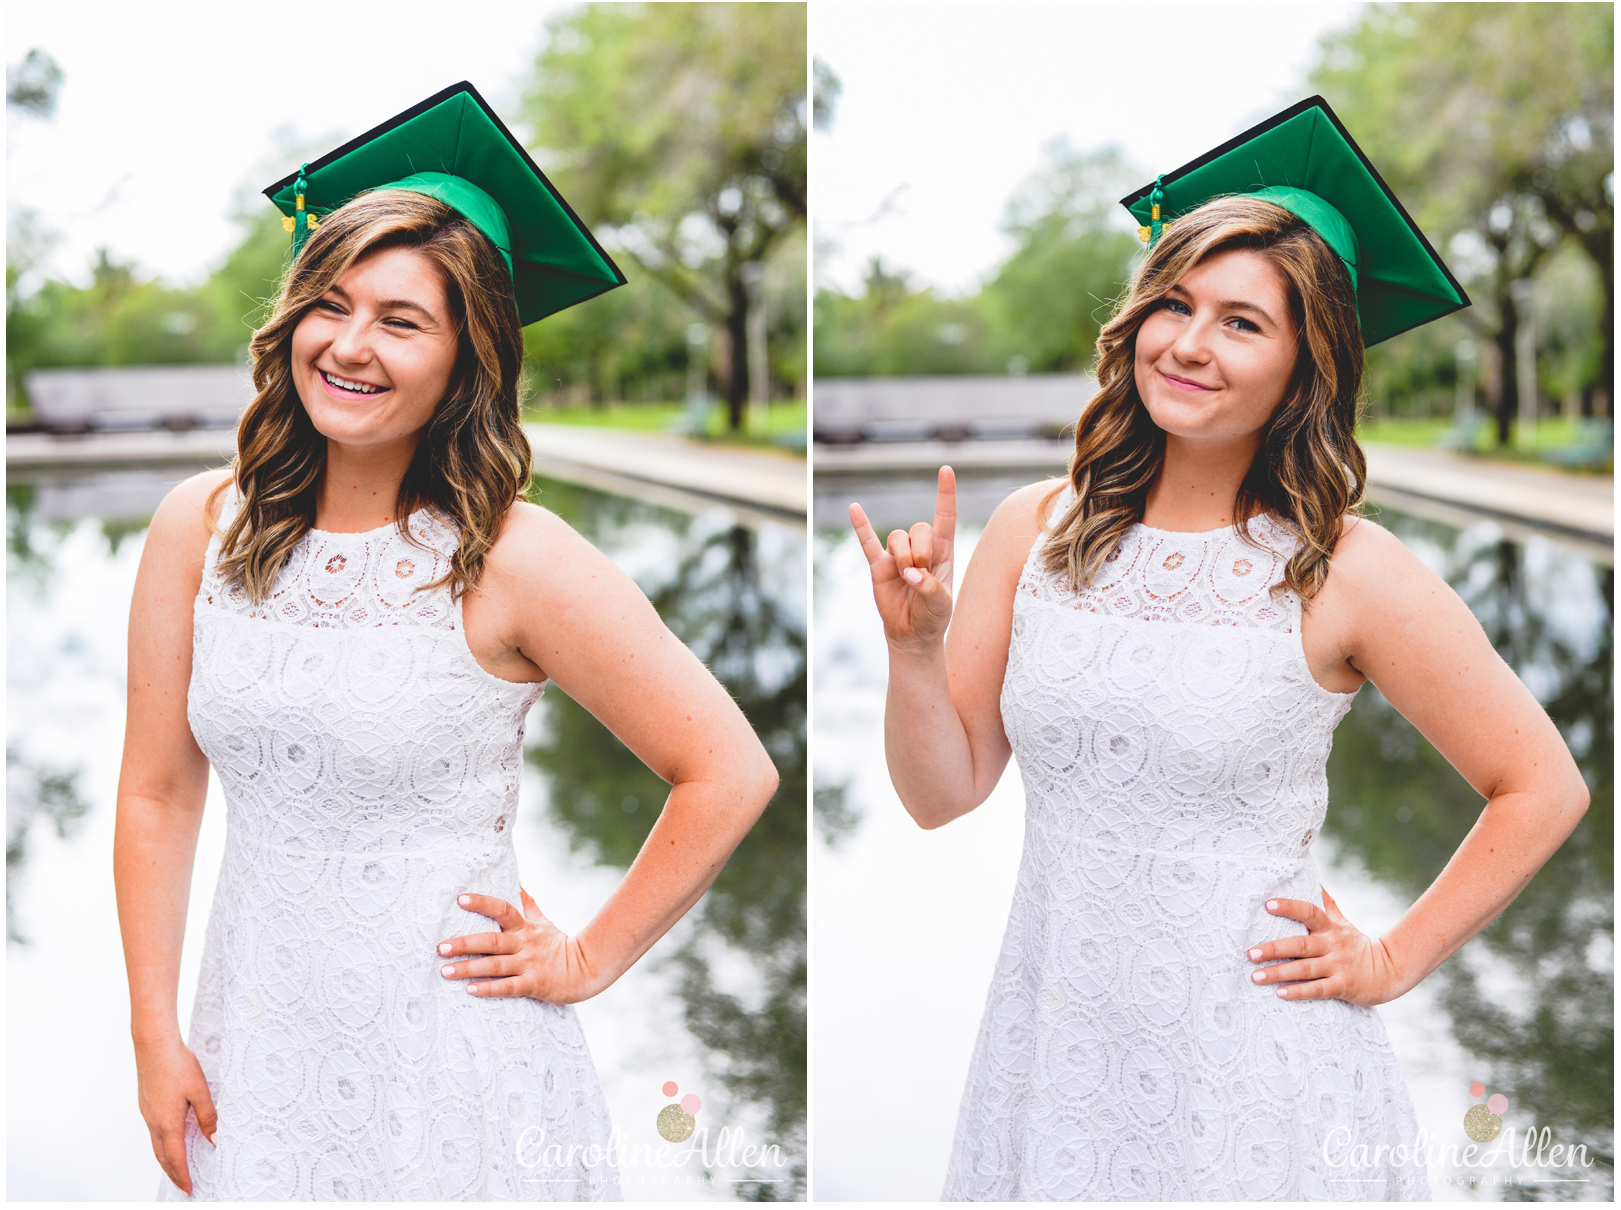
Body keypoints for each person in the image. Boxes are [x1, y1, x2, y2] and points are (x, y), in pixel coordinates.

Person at [848, 97, 1589, 1200]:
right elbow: (939, 793)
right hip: (1055, 1046)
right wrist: (915, 648)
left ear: (1305, 364)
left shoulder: (1346, 567)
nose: (1189, 344)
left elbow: (1540, 784)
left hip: (1255, 1069)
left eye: (1243, 322)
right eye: (1175, 304)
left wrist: (1391, 958)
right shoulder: (1030, 530)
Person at [114, 83, 779, 1201]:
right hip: (258, 1043)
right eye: (330, 303)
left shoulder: (516, 556)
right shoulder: (199, 525)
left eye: (402, 319)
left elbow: (728, 769)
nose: (350, 344)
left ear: (468, 358)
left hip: (455, 1064)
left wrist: (588, 954)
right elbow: (156, 791)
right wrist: (152, 1032)